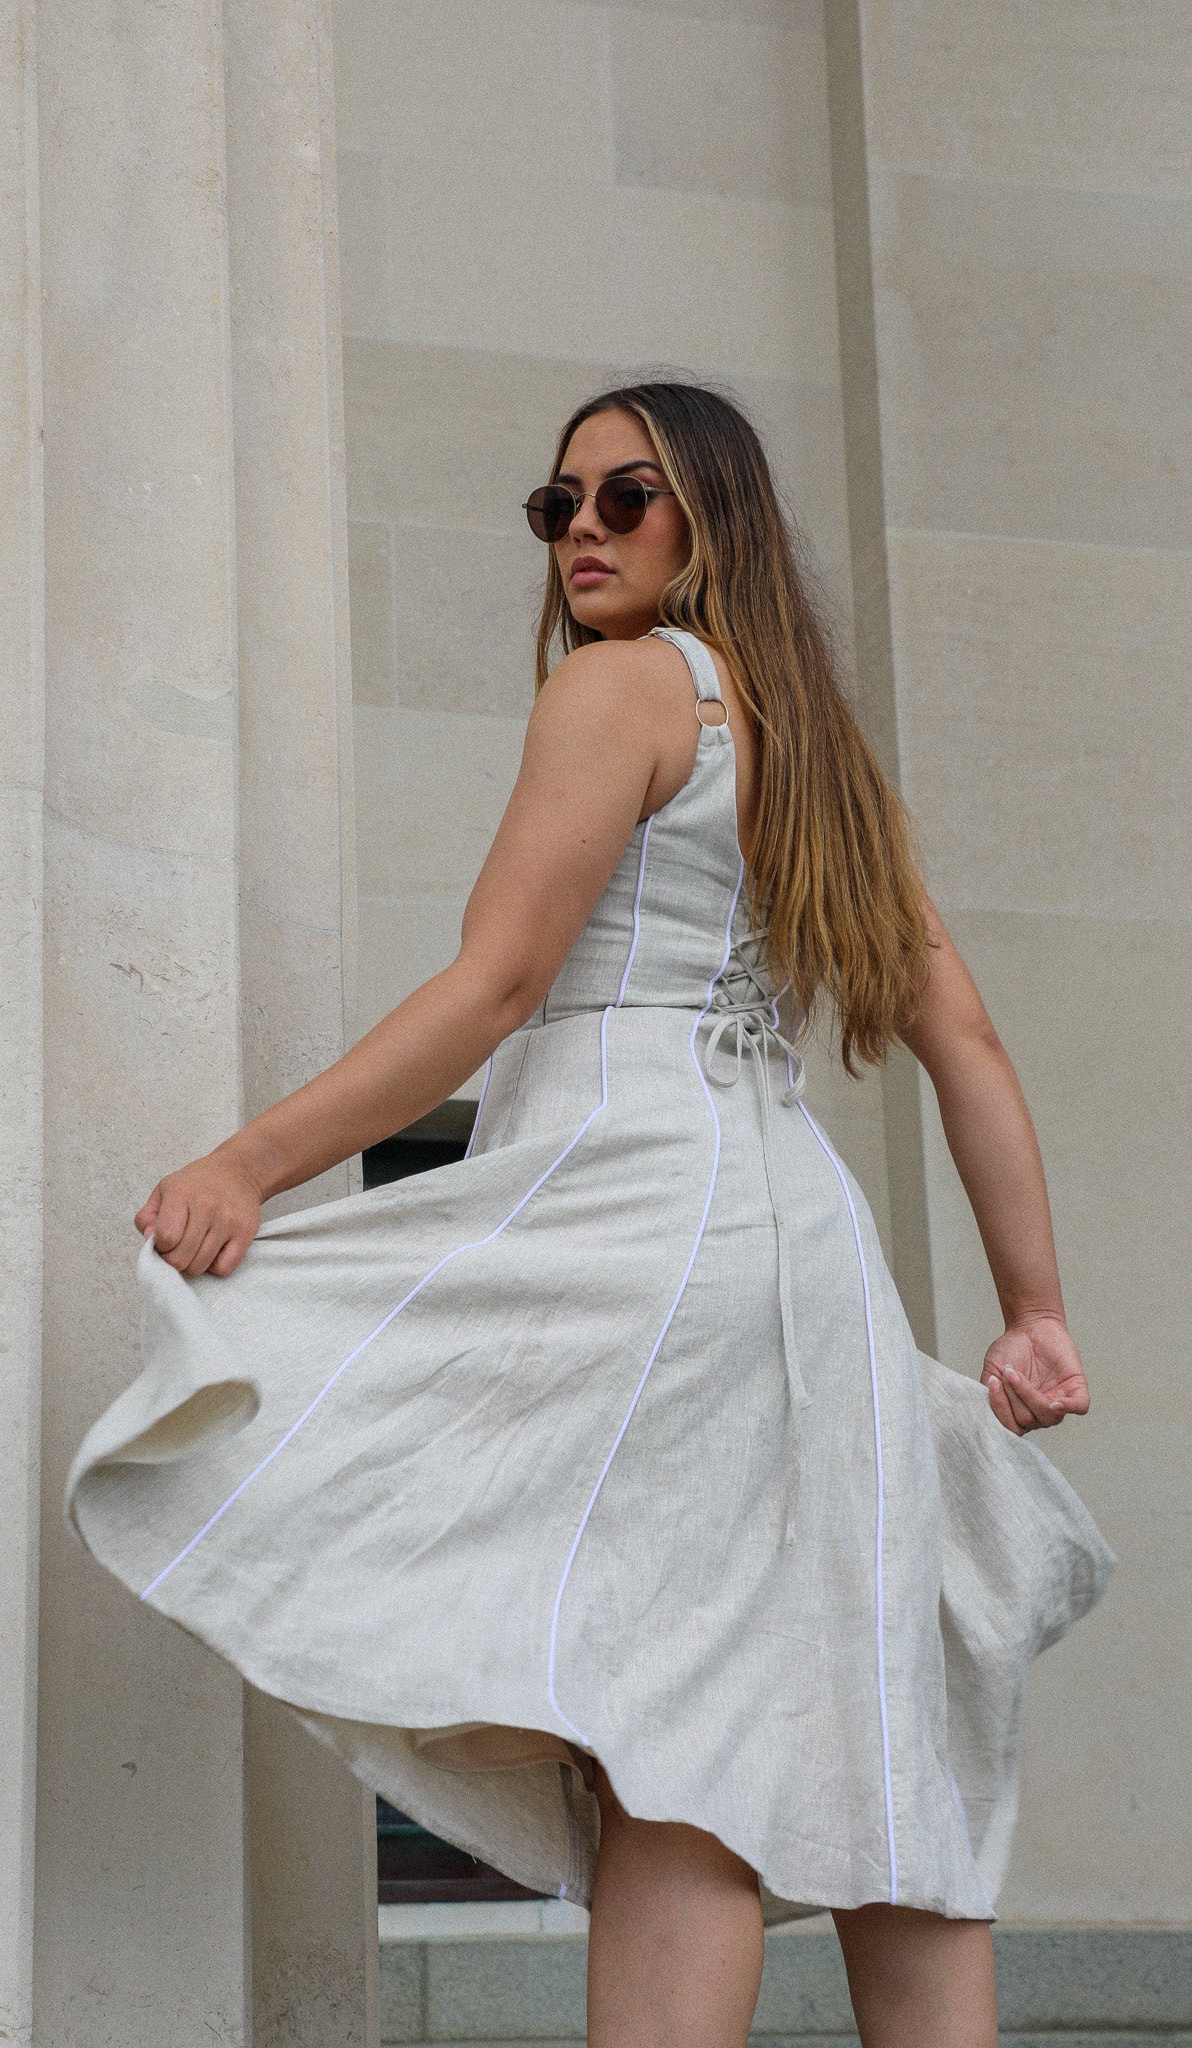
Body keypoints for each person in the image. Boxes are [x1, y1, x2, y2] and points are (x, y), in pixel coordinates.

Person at [66, 380, 1114, 2048]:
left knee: (673, 1722)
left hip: (643, 1219)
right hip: (803, 1247)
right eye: (556, 505)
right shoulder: (813, 750)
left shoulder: (620, 689)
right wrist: (1032, 1310)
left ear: (713, 512)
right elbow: (964, 1043)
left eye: (627, 496)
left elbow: (493, 987)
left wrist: (249, 1165)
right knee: (862, 1722)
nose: (583, 533)